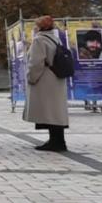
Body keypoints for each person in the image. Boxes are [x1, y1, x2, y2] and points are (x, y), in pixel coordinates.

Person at [23, 16, 69, 152]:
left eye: (36, 25)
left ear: (40, 27)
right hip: (57, 78)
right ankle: (58, 140)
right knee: (56, 112)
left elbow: (36, 62)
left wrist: (31, 78)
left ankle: (55, 142)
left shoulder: (39, 40)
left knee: (49, 112)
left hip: (45, 79)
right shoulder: (55, 38)